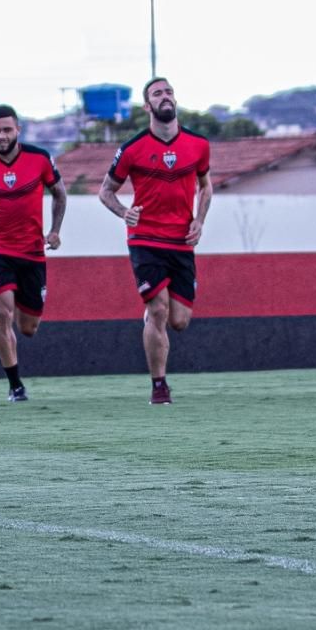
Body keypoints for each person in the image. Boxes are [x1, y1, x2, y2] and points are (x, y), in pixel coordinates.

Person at [99, 77, 212, 406]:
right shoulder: (132, 148)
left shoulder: (198, 145)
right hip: (145, 238)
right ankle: (159, 386)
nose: (166, 97)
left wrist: (200, 221)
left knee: (179, 320)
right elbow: (106, 191)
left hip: (182, 241)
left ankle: (151, 320)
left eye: (169, 92)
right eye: (158, 94)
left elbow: (206, 186)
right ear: (148, 106)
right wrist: (124, 212)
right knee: (159, 308)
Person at [0, 105, 67, 402]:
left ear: (18, 130)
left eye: (7, 129)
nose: (2, 135)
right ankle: (15, 385)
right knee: (1, 312)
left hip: (32, 253)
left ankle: (17, 365)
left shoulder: (40, 158)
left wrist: (55, 231)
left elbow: (59, 193)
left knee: (28, 327)